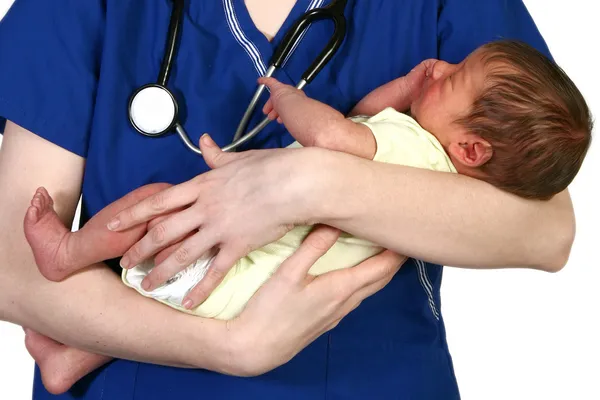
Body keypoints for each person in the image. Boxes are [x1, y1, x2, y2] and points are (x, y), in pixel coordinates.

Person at [0, 1, 578, 399]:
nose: (443, 71)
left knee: (149, 212)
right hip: (152, 376)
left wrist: (302, 187)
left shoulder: (464, 45)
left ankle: (72, 317)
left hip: (377, 381)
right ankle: (73, 349)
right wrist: (229, 347)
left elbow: (548, 230)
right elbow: (8, 268)